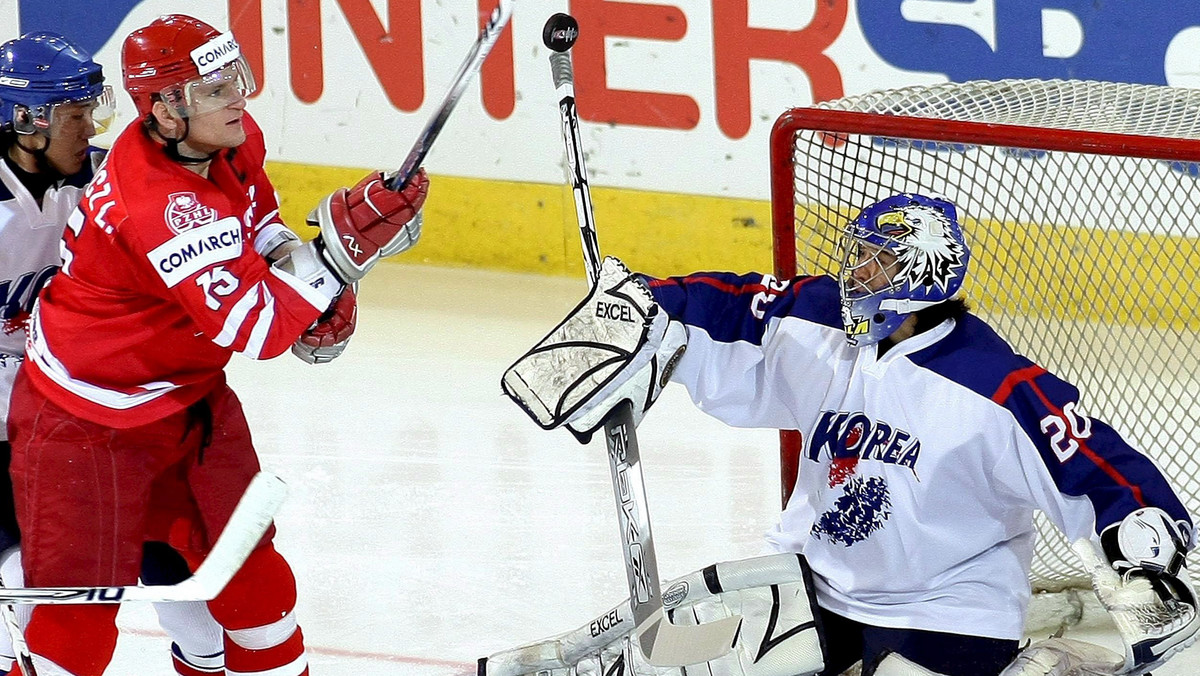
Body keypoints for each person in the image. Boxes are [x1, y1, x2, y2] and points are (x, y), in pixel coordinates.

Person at [501, 193, 1198, 676]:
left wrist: (1143, 541)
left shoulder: (996, 387)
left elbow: (1097, 465)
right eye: (858, 256)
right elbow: (732, 305)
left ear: (925, 276)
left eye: (877, 262)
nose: (854, 274)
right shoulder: (821, 324)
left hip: (948, 609)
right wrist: (648, 311)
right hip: (811, 584)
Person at [6, 15, 429, 676]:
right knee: (74, 622)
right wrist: (336, 262)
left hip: (190, 404)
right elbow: (257, 327)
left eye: (233, 77)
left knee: (254, 586)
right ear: (167, 108)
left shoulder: (225, 137)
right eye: (212, 88)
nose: (235, 97)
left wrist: (300, 261)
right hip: (83, 425)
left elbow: (257, 220)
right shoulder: (161, 202)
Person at [0, 31, 233, 675]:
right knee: (47, 587)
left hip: (95, 408)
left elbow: (210, 237)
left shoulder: (112, 180)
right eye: (75, 115)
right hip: (20, 428)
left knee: (189, 587)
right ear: (26, 121)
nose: (92, 126)